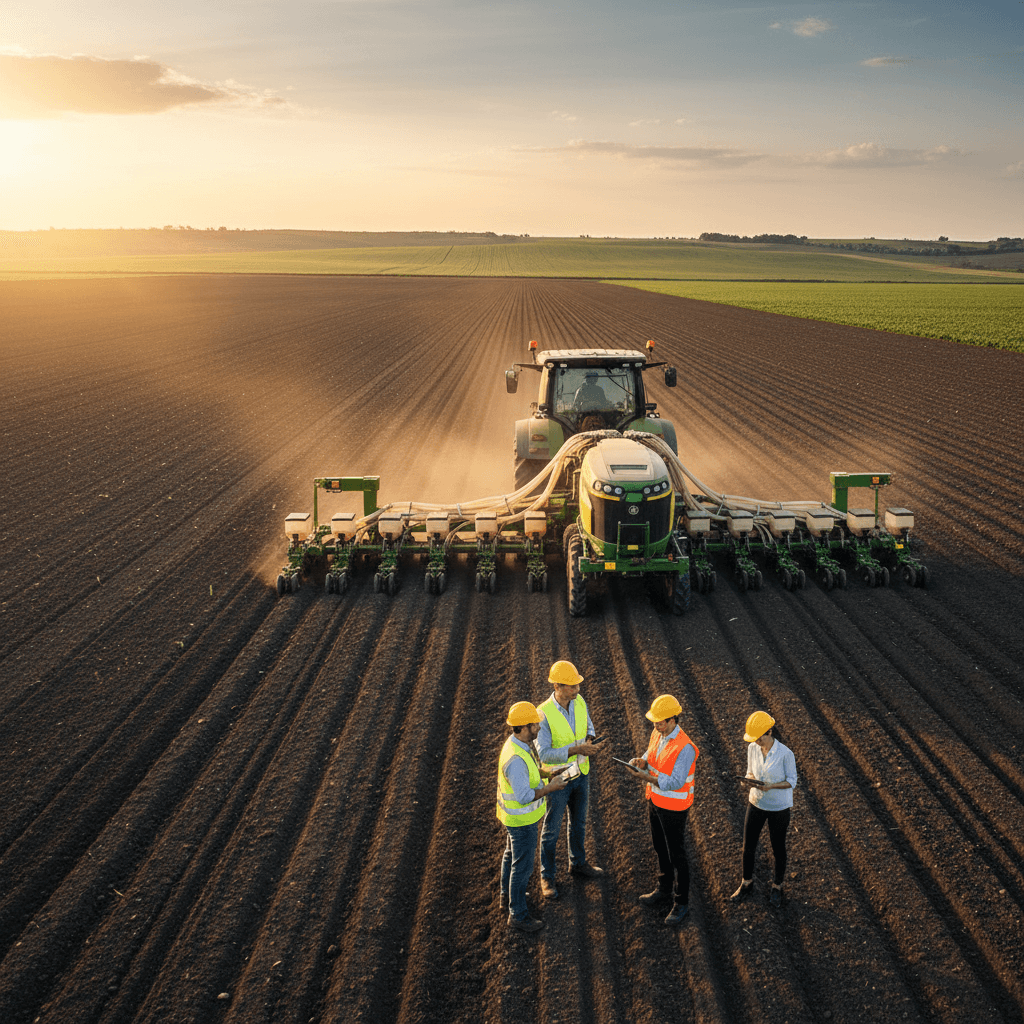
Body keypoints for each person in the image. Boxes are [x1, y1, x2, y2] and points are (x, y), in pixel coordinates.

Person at [627, 694, 699, 926]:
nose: (655, 725)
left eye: (660, 722)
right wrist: (642, 761)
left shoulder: (686, 748)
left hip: (674, 808)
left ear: (672, 720)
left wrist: (646, 776)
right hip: (655, 801)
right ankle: (664, 889)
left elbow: (676, 781)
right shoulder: (658, 734)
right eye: (655, 722)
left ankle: (681, 902)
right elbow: (652, 756)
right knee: (660, 848)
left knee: (677, 854)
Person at [497, 701, 569, 932]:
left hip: (514, 819)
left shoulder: (518, 744)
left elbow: (531, 770)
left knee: (511, 856)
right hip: (522, 821)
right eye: (534, 725)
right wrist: (552, 786)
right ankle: (517, 914)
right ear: (522, 727)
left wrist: (547, 773)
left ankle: (506, 896)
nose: (538, 727)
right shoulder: (515, 760)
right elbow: (525, 796)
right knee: (523, 866)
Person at [536, 660, 605, 899]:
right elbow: (543, 753)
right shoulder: (542, 714)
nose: (577, 689)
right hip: (559, 779)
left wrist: (590, 739)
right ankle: (547, 876)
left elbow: (588, 724)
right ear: (557, 686)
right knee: (552, 830)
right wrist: (577, 749)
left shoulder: (579, 701)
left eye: (577, 685)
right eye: (572, 686)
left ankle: (577, 863)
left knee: (579, 823)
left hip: (581, 774)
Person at [731, 711, 798, 909]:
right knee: (748, 845)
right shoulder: (752, 748)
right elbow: (750, 770)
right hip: (756, 803)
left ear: (769, 732)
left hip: (778, 808)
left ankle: (777, 887)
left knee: (778, 848)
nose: (756, 741)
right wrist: (747, 780)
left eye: (759, 737)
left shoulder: (785, 754)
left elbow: (792, 782)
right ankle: (746, 883)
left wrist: (771, 786)